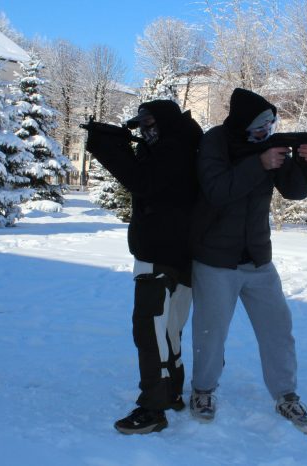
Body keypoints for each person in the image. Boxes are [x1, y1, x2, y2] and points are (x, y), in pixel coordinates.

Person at [189, 88, 307, 434]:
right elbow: (217, 190)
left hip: (258, 258)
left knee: (278, 329)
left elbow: (293, 191)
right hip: (216, 258)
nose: (266, 132)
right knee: (210, 332)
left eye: (271, 125)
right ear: (243, 122)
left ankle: (286, 395)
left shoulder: (265, 145)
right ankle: (203, 391)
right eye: (260, 126)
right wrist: (258, 164)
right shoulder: (215, 141)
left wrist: (304, 166)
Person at [84, 100, 203, 435]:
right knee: (169, 331)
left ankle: (153, 407)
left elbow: (142, 182)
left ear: (165, 122)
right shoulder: (185, 144)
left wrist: (109, 146)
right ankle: (172, 392)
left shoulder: (172, 149)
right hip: (184, 257)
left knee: (149, 331)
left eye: (150, 123)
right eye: (142, 125)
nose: (145, 131)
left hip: (160, 255)